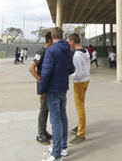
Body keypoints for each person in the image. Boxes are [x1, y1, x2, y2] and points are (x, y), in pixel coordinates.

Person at [39, 27, 75, 161]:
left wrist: (42, 91)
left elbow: (46, 72)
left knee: (55, 120)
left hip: (52, 90)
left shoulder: (51, 50)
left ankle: (56, 153)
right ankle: (63, 147)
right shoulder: (67, 50)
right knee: (63, 117)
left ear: (52, 36)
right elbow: (71, 69)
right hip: (63, 88)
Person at [29, 31, 54, 145]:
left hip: (49, 85)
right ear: (50, 40)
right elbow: (31, 68)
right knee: (43, 110)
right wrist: (40, 81)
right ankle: (40, 134)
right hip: (44, 87)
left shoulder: (50, 52)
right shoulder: (42, 52)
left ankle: (44, 131)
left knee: (47, 109)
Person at [68, 33, 90, 144]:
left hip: (79, 82)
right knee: (81, 106)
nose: (68, 43)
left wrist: (68, 75)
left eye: (68, 41)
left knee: (80, 108)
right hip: (86, 80)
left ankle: (81, 134)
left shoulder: (76, 55)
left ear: (72, 41)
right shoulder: (84, 50)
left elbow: (78, 73)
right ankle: (80, 126)